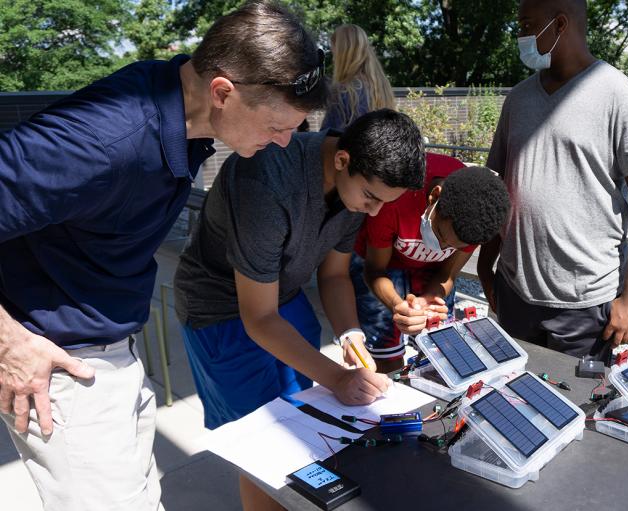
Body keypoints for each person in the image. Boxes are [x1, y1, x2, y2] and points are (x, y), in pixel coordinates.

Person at [0, 2, 328, 510]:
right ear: (223, 92)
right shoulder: (102, 139)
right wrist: (8, 343)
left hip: (114, 349)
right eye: (277, 126)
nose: (286, 143)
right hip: (58, 359)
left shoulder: (186, 107)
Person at [173, 108, 426, 510]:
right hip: (221, 310)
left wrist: (350, 334)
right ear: (342, 160)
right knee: (264, 443)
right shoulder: (265, 179)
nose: (374, 212)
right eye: (372, 198)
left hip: (284, 298)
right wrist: (338, 379)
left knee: (305, 428)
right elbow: (258, 318)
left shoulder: (355, 187)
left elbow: (335, 276)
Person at [477, 0, 628, 364]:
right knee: (514, 405)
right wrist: (487, 266)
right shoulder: (517, 99)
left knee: (581, 412)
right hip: (515, 292)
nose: (519, 36)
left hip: (585, 305)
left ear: (560, 24)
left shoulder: (620, 96)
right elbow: (496, 186)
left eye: (525, 24)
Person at [351, 156, 511, 371]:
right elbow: (374, 270)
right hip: (387, 264)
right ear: (434, 196)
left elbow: (448, 274)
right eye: (440, 235)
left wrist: (428, 301)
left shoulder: (476, 221)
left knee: (441, 352)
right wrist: (397, 307)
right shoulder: (396, 195)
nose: (441, 249)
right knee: (386, 352)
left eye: (452, 247)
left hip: (430, 272)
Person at [321, 24, 396, 130]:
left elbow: (328, 138)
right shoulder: (381, 87)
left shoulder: (343, 91)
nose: (333, 60)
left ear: (343, 55)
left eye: (334, 54)